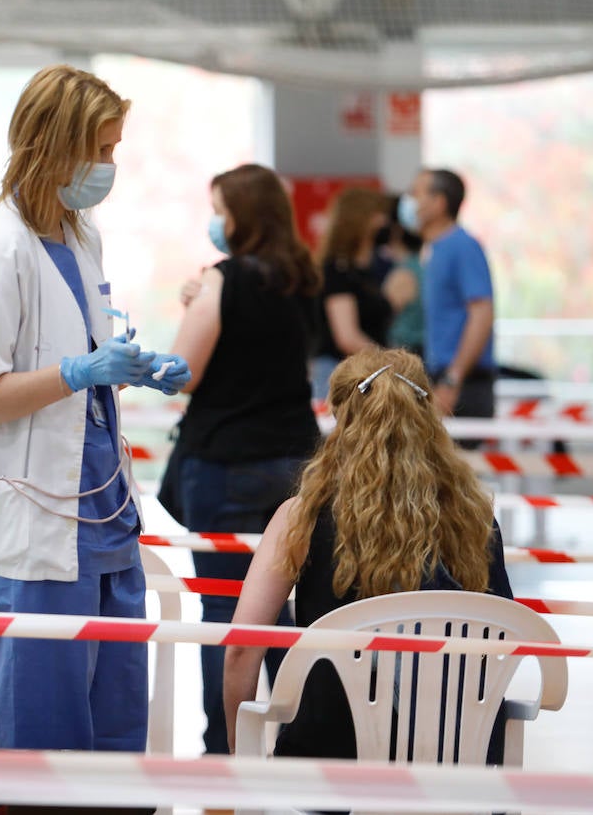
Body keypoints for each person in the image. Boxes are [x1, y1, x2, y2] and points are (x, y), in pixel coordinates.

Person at [0, 64, 190, 753]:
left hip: (100, 510)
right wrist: (77, 372)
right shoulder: (0, 246)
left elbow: (75, 368)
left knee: (115, 718)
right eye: (100, 150)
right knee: (41, 729)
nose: (108, 166)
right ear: (52, 144)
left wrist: (128, 371)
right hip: (33, 523)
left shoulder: (79, 236)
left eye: (113, 150)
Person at [223, 347, 513, 759]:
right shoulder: (477, 521)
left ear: (340, 421)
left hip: (331, 759)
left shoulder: (300, 518)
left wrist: (240, 748)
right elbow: (504, 637)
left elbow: (242, 648)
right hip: (463, 759)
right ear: (428, 418)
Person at [162, 163, 321, 755]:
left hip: (226, 463)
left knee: (226, 611)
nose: (216, 223)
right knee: (289, 609)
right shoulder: (303, 280)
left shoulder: (224, 279)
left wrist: (196, 301)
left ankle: (226, 751)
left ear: (243, 217)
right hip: (296, 461)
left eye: (221, 210)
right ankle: (301, 747)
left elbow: (185, 372)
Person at [401, 168, 496, 418]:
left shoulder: (462, 246)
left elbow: (482, 314)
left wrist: (454, 378)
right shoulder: (433, 250)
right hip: (439, 376)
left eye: (416, 193)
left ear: (439, 202)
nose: (409, 201)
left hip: (463, 383)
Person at [312, 187, 394, 398]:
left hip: (367, 371)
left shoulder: (373, 270)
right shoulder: (337, 272)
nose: (385, 222)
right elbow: (347, 337)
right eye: (379, 215)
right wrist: (392, 362)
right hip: (342, 373)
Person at [381, 197, 426, 356]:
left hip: (404, 356)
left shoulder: (403, 274)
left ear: (396, 230)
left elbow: (384, 318)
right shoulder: (421, 267)